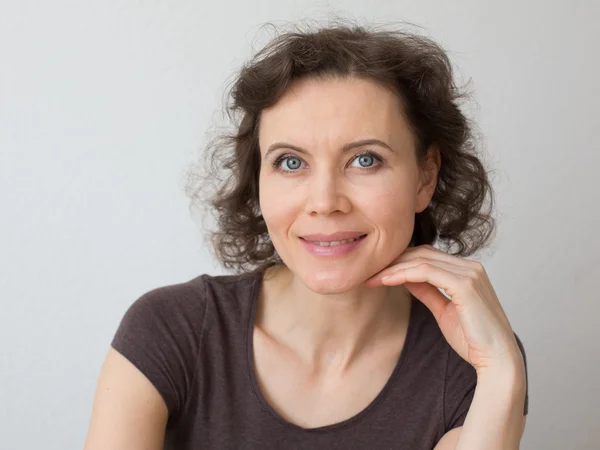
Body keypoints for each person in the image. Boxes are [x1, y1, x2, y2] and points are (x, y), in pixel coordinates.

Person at [84, 21, 529, 450]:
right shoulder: (170, 330)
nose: (324, 201)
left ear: (424, 177)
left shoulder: (472, 357)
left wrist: (501, 372)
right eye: (291, 163)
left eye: (365, 160)